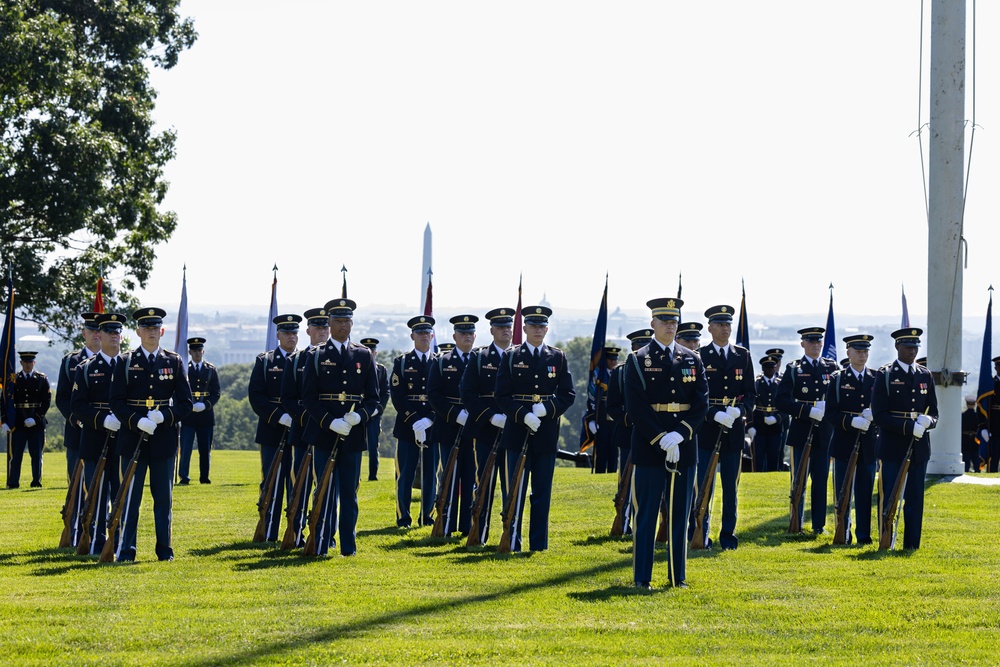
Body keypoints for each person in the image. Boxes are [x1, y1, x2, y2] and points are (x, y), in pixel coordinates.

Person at [625, 298, 708, 589]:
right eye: (664, 321)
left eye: (674, 321)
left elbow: (701, 403)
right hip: (650, 445)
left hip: (684, 445)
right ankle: (642, 578)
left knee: (680, 515)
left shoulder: (692, 359)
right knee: (646, 514)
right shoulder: (637, 359)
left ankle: (677, 576)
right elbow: (636, 407)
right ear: (653, 324)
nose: (670, 326)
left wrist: (681, 434)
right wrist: (661, 438)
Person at [109, 307, 193, 562]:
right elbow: (116, 401)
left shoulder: (173, 361)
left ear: (162, 331)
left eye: (156, 328)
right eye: (146, 328)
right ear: (138, 332)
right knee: (130, 498)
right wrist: (136, 421)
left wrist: (164, 416)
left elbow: (185, 403)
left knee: (163, 499)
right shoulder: (125, 361)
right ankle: (126, 549)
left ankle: (164, 549)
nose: (151, 332)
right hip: (133, 436)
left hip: (163, 437)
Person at [300, 298, 380, 557]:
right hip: (324, 431)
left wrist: (361, 417)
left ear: (352, 323)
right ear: (330, 323)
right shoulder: (316, 355)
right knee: (323, 489)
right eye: (338, 321)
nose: (343, 325)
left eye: (348, 320)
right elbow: (309, 399)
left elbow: (373, 399)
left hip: (353, 434)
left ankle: (349, 547)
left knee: (349, 494)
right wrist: (329, 422)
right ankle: (322, 542)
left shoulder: (363, 355)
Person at [494, 305, 576, 553]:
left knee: (542, 493)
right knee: (515, 491)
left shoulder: (557, 357)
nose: (538, 330)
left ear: (547, 329)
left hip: (546, 432)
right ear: (525, 328)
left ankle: (539, 545)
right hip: (517, 432)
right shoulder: (511, 356)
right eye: (534, 326)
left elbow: (568, 394)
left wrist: (547, 409)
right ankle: (513, 541)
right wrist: (523, 415)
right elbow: (502, 396)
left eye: (542, 326)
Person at [691, 305, 755, 550]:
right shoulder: (700, 356)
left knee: (731, 487)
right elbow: (695, 398)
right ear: (710, 328)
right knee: (704, 485)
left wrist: (740, 411)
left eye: (728, 324)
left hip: (734, 429)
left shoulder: (742, 355)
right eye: (719, 324)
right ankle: (699, 532)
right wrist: (713, 414)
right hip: (708, 429)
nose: (725, 329)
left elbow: (750, 393)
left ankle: (728, 536)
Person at [872, 328, 938, 550]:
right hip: (893, 444)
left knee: (915, 499)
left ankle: (911, 545)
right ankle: (886, 540)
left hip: (919, 446)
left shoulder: (924, 375)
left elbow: (935, 412)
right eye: (908, 347)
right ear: (897, 347)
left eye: (915, 346)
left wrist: (929, 421)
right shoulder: (886, 375)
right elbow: (879, 415)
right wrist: (909, 427)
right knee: (889, 495)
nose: (912, 351)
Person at [70, 312, 125, 554]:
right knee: (97, 494)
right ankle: (95, 540)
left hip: (124, 438)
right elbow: (77, 405)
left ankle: (119, 539)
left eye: (117, 332)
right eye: (108, 332)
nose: (114, 336)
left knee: (120, 491)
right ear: (98, 336)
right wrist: (102, 419)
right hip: (94, 438)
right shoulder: (86, 368)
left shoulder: (129, 365)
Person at [775, 327, 838, 534]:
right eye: (811, 342)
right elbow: (782, 401)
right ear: (803, 344)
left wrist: (826, 408)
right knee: (799, 479)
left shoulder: (832, 367)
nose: (815, 346)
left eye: (818, 342)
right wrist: (807, 410)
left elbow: (838, 399)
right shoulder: (794, 369)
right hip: (801, 429)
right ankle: (796, 521)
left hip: (824, 432)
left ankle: (818, 525)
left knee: (820, 480)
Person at [460, 307, 514, 545]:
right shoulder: (479, 357)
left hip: (513, 429)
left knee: (511, 486)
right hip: (485, 429)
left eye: (508, 326)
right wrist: (491, 416)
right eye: (500, 327)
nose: (505, 331)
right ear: (491, 330)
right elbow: (468, 393)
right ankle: (479, 534)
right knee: (484, 484)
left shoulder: (518, 356)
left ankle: (510, 535)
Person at [247, 313, 301, 541]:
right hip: (272, 429)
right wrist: (279, 416)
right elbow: (256, 397)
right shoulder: (266, 361)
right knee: (271, 482)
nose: (291, 337)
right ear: (278, 335)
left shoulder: (305, 360)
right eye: (286, 333)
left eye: (294, 332)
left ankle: (295, 530)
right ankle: (268, 530)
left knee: (296, 482)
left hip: (298, 428)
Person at [280, 307, 330, 546]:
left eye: (325, 327)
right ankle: (296, 532)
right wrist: (305, 418)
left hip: (328, 433)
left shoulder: (337, 358)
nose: (321, 332)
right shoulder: (296, 360)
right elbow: (287, 398)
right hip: (302, 432)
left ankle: (325, 535)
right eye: (317, 327)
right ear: (308, 330)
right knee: (299, 485)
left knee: (326, 487)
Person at [427, 314, 479, 535]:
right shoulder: (441, 362)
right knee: (449, 476)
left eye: (470, 333)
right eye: (462, 333)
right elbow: (434, 395)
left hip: (475, 426)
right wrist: (455, 414)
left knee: (470, 478)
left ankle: (467, 527)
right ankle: (446, 524)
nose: (466, 337)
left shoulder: (480, 360)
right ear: (454, 336)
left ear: (475, 336)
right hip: (449, 426)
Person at [825, 334, 877, 545]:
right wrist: (851, 421)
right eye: (858, 351)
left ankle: (863, 536)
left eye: (865, 351)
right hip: (844, 442)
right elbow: (830, 414)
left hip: (869, 444)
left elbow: (883, 408)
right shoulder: (837, 379)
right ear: (848, 352)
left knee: (865, 493)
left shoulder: (877, 378)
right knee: (843, 491)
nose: (862, 355)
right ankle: (842, 532)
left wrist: (875, 415)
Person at [390, 315, 439, 528]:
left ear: (432, 335)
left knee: (431, 475)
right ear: (412, 336)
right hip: (407, 426)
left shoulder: (440, 362)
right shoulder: (402, 363)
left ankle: (427, 517)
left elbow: (443, 397)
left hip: (433, 426)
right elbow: (398, 396)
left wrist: (429, 419)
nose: (424, 336)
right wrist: (414, 420)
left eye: (427, 333)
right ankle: (403, 517)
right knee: (405, 475)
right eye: (419, 333)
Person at [606, 328, 653, 537]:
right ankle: (624, 523)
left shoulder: (657, 369)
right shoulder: (620, 373)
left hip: (653, 434)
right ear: (632, 348)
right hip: (628, 434)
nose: (642, 349)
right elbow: (612, 407)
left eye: (646, 346)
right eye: (638, 346)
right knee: (626, 482)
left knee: (650, 482)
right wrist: (630, 420)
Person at [178, 337, 221, 485]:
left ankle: (204, 477)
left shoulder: (211, 369)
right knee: (186, 448)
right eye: (194, 350)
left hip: (205, 414)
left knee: (205, 449)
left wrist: (206, 405)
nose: (197, 353)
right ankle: (184, 476)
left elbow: (216, 393)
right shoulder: (184, 368)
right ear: (189, 352)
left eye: (199, 350)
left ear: (203, 351)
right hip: (188, 414)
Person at [7, 351, 51, 488]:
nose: (28, 365)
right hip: (19, 422)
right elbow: (6, 400)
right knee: (16, 455)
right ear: (21, 363)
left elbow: (46, 401)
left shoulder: (42, 379)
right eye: (25, 362)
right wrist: (5, 420)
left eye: (30, 362)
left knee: (36, 454)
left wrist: (36, 418)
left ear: (34, 363)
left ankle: (36, 481)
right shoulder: (13, 379)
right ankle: (13, 482)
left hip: (36, 421)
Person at [359, 337, 390, 481]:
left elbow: (385, 392)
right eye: (367, 350)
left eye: (372, 350)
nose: (370, 353)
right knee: (357, 445)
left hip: (375, 414)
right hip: (359, 412)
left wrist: (378, 409)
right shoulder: (357, 367)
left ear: (375, 352)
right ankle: (356, 475)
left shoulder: (381, 370)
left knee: (373, 446)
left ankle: (373, 475)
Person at [588, 345, 620, 474]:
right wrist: (591, 417)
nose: (613, 362)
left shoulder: (619, 372)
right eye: (610, 359)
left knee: (614, 447)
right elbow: (591, 395)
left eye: (615, 359)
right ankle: (600, 472)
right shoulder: (598, 374)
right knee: (602, 445)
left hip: (616, 414)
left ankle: (612, 472)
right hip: (601, 413)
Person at [750, 355, 785, 472]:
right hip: (759, 423)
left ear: (775, 368)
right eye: (767, 367)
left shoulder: (780, 384)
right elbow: (750, 405)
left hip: (775, 425)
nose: (770, 370)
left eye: (772, 367)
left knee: (774, 455)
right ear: (763, 368)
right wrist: (750, 426)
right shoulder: (757, 383)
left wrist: (777, 418)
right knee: (758, 456)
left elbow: (786, 406)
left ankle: (773, 475)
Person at [977, 356, 1000, 472]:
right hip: (994, 425)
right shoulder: (990, 384)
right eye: (999, 366)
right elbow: (981, 406)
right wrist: (983, 427)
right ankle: (993, 474)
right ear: (996, 368)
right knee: (994, 454)